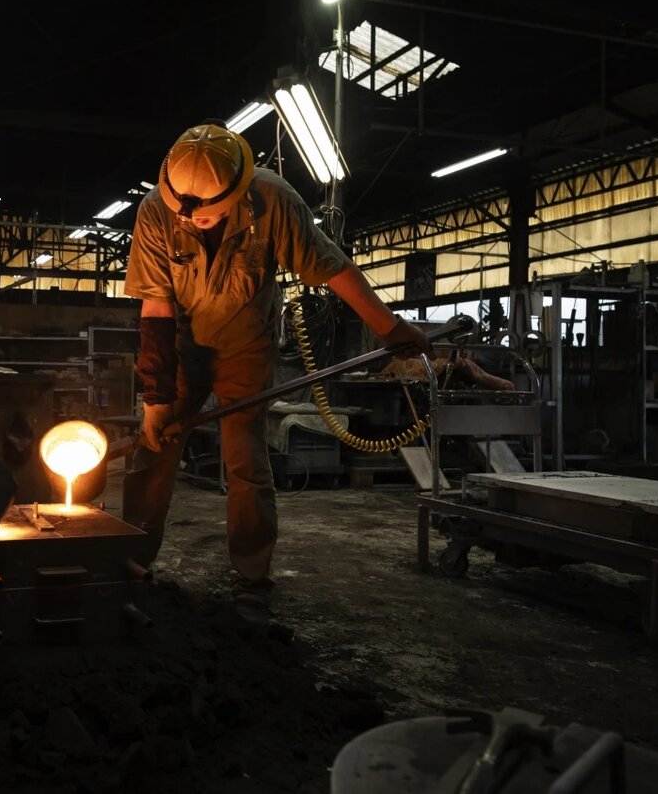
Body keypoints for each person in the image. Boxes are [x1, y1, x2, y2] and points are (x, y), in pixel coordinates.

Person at [122, 122, 429, 622]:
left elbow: (330, 266)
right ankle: (129, 560)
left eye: (207, 212)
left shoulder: (273, 200)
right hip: (181, 345)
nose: (192, 219)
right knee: (152, 449)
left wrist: (389, 328)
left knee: (245, 457)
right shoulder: (157, 210)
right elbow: (155, 308)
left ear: (237, 192)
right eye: (185, 209)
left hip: (247, 344)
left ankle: (251, 576)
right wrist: (156, 399)